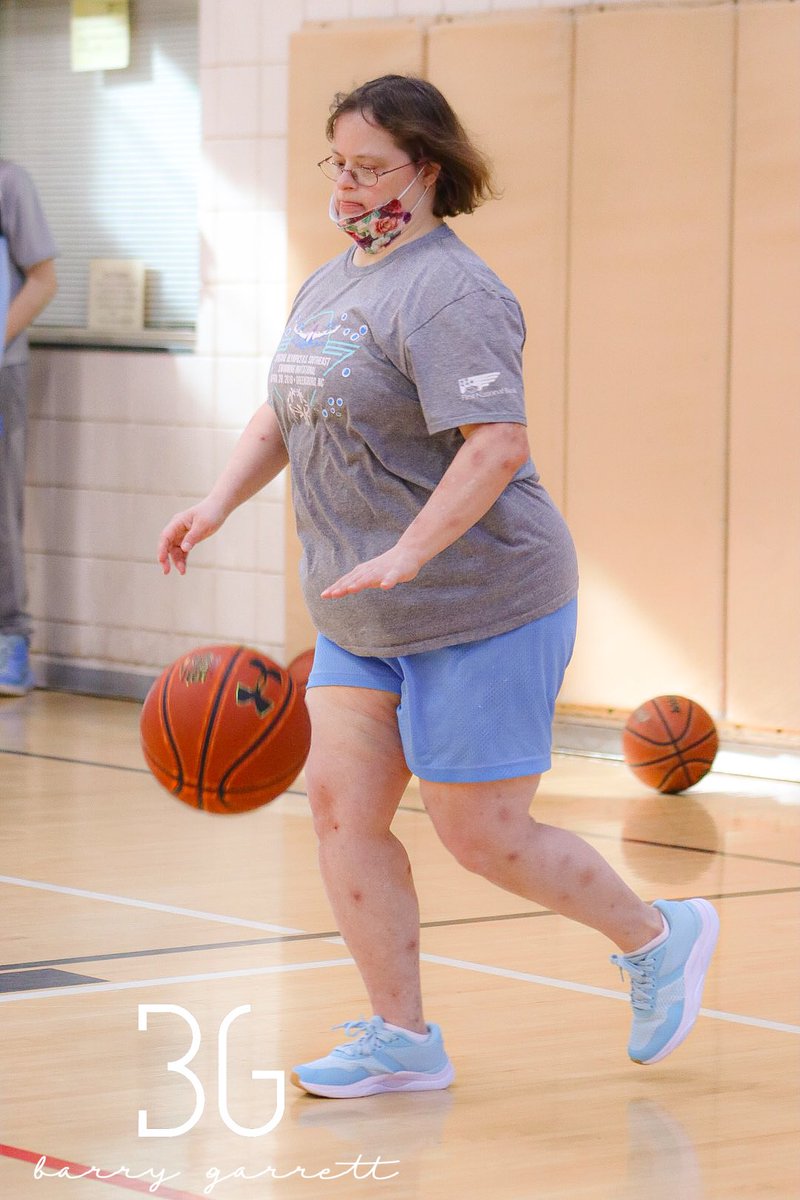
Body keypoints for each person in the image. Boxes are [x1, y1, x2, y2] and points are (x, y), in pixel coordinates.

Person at [159, 75, 719, 1099]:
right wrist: (215, 504)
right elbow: (279, 416)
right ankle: (401, 1035)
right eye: (339, 164)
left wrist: (412, 550)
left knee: (481, 836)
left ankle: (656, 934)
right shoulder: (330, 285)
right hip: (360, 609)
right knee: (341, 811)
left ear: (427, 169)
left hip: (481, 601)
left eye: (372, 166)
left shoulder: (451, 292)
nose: (350, 185)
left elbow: (495, 446)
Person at [0, 158, 58, 695]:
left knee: (1, 507)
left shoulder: (9, 180)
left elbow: (43, 281)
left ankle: (10, 638)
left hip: (2, 368)